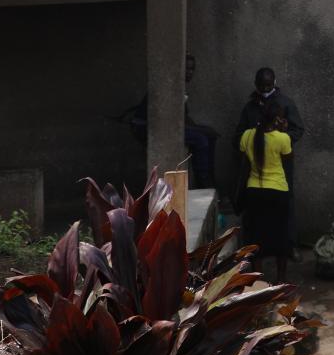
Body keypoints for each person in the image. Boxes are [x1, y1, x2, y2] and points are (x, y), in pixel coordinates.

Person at [234, 67, 305, 254]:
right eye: (262, 86)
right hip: (255, 169)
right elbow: (239, 136)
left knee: (285, 207)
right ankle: (256, 249)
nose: (265, 90)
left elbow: (298, 130)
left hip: (279, 165)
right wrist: (254, 142)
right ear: (256, 85)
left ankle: (290, 245)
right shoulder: (250, 107)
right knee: (255, 216)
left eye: (268, 86)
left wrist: (281, 138)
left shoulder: (285, 104)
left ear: (274, 82)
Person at [124, 53, 220, 188]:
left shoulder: (180, 87)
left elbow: (184, 118)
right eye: (186, 69)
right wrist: (201, 131)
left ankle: (210, 180)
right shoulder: (169, 87)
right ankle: (203, 182)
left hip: (169, 126)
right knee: (201, 140)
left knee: (210, 135)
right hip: (150, 128)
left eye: (192, 69)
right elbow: (170, 123)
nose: (190, 72)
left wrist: (203, 129)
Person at [238, 100, 292, 281]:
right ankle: (281, 279)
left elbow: (244, 159)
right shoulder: (282, 138)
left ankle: (259, 279)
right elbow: (288, 160)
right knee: (281, 235)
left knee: (256, 236)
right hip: (278, 191)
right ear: (277, 119)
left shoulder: (247, 135)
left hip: (254, 191)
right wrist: (282, 132)